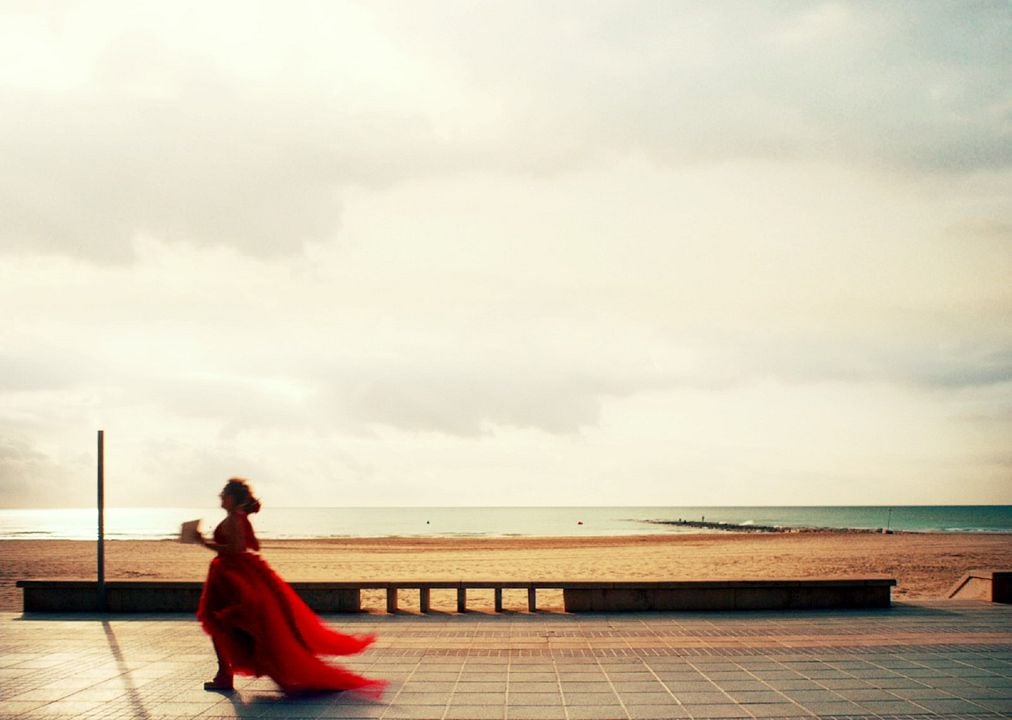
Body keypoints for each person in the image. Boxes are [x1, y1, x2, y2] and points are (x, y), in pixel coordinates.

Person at [197, 477, 386, 697]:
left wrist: (201, 541)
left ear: (231, 497)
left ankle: (227, 674)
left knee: (229, 624)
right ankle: (225, 673)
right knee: (224, 624)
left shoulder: (235, 519)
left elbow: (236, 549)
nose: (220, 497)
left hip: (233, 576)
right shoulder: (235, 517)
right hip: (230, 574)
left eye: (223, 493)